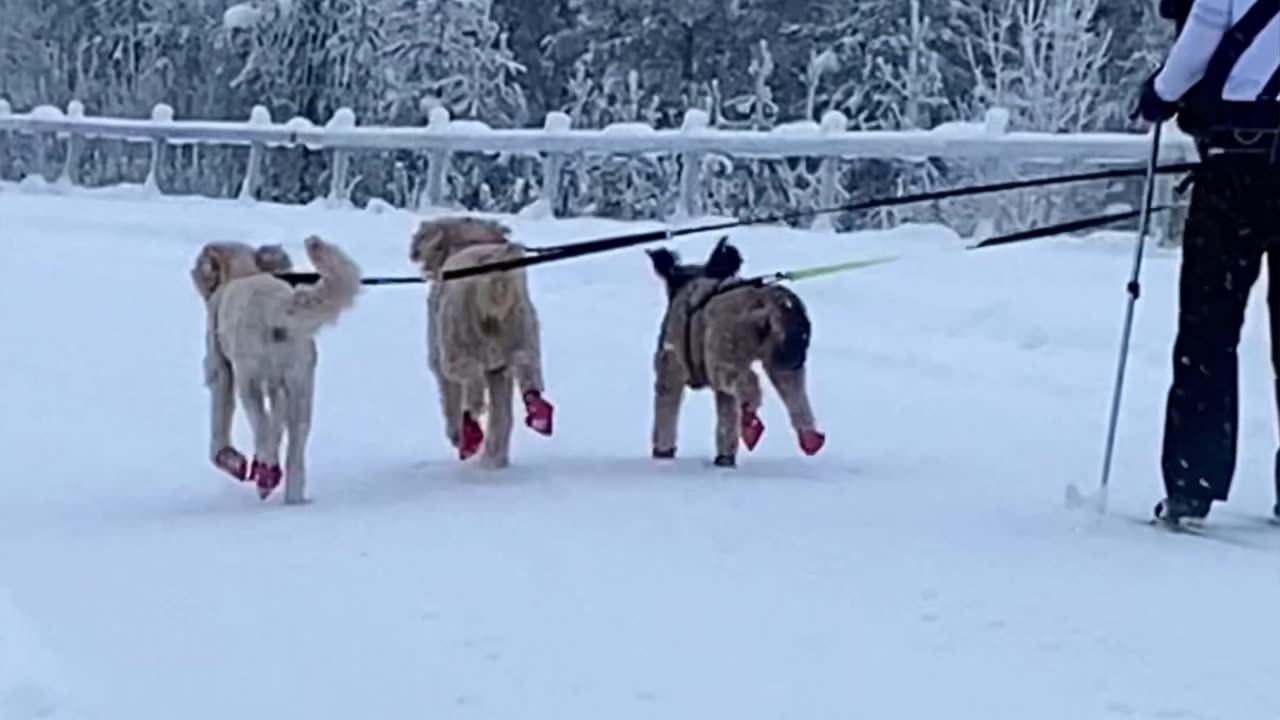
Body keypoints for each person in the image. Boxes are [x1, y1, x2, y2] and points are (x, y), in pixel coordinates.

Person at [1134, 0, 1280, 524]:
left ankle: (1193, 482)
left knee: (1208, 329)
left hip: (1233, 170)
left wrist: (1158, 96)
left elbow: (1197, 42)